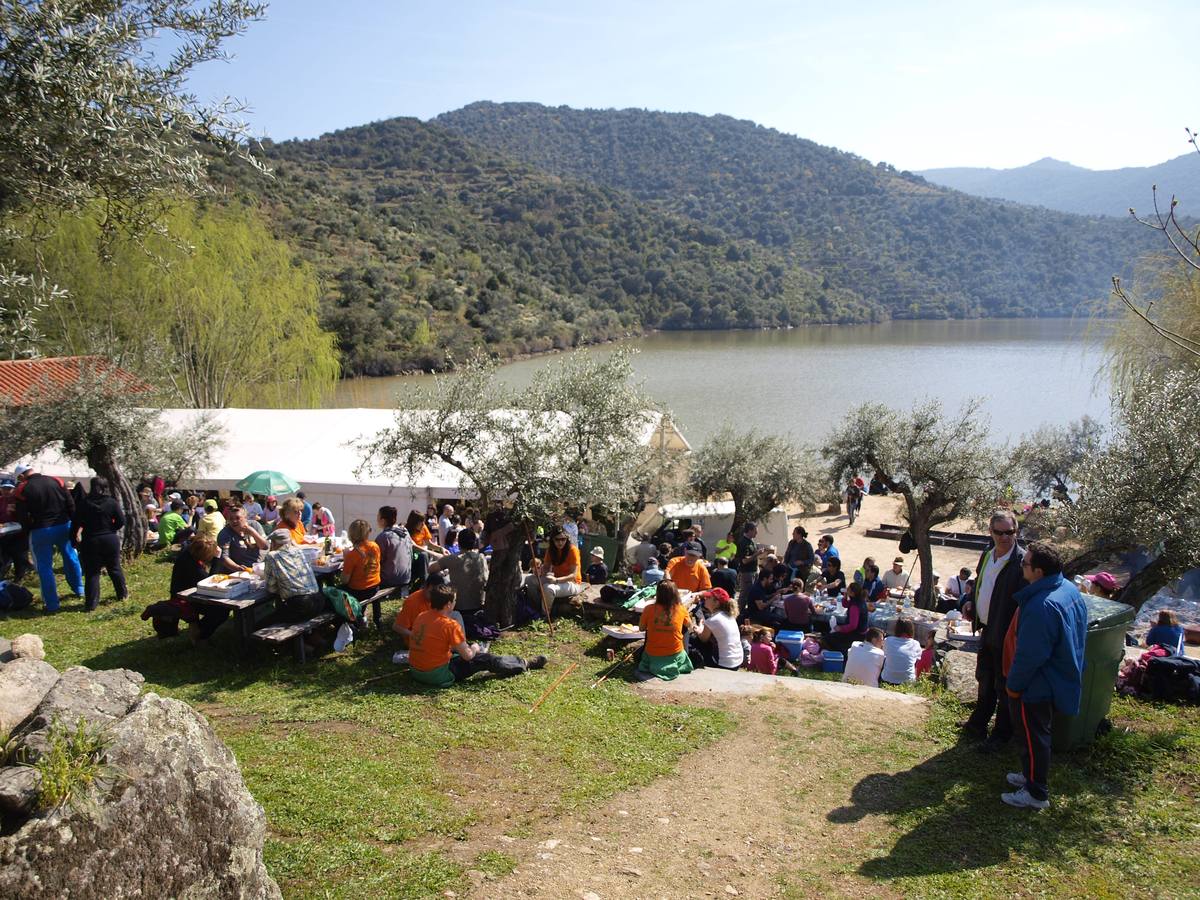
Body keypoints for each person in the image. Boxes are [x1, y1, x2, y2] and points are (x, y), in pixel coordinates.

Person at [1001, 541, 1086, 810]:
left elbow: (1030, 654)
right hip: (1059, 676)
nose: (1021, 566)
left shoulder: (1041, 606)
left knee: (1033, 737)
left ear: (1038, 571)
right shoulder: (1068, 589)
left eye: (1025, 563)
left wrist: (1014, 686)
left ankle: (1036, 793)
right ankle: (1030, 776)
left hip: (1038, 685)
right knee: (1035, 735)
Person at [963, 510, 1026, 750]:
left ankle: (1001, 734)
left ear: (1016, 532)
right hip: (987, 628)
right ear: (991, 532)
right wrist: (971, 604)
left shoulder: (1021, 562)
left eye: (1010, 532)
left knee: (1004, 684)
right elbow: (981, 585)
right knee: (985, 677)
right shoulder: (987, 555)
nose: (1005, 537)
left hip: (1007, 634)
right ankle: (978, 724)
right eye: (999, 532)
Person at [407, 584, 547, 688]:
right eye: (455, 600)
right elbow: (468, 656)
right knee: (484, 659)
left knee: (461, 653)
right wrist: (474, 648)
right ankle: (524, 663)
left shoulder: (421, 616)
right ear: (448, 605)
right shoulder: (450, 625)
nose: (455, 603)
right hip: (436, 675)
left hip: (416, 671)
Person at [13, 463, 83, 612]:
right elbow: (70, 503)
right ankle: (79, 589)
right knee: (71, 557)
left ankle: (52, 604)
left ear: (21, 476)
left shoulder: (22, 489)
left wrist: (28, 530)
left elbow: (22, 516)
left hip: (41, 529)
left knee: (45, 567)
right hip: (64, 525)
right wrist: (75, 526)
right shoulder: (56, 480)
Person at [72, 476, 128, 612]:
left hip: (91, 539)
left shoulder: (84, 503)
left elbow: (75, 523)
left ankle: (91, 603)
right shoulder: (111, 502)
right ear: (105, 487)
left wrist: (73, 540)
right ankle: (122, 594)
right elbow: (121, 521)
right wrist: (111, 529)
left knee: (92, 572)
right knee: (114, 568)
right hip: (109, 538)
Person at [166, 536, 230, 641]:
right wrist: (217, 559)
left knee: (222, 608)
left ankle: (198, 629)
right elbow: (209, 582)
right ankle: (199, 634)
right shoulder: (191, 566)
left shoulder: (189, 552)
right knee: (221, 611)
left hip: (192, 592)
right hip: (185, 598)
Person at [636, 580, 694, 681]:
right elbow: (690, 625)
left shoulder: (648, 609)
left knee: (649, 628)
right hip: (674, 653)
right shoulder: (681, 609)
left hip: (652, 653)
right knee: (684, 628)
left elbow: (642, 628)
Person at [263, 529, 326, 621]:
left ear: (273, 543)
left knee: (263, 622)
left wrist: (282, 587)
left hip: (302, 606)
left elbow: (270, 588)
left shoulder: (272, 556)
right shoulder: (299, 551)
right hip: (319, 601)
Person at [428, 527, 488, 614]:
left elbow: (430, 569)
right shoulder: (481, 558)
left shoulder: (453, 558)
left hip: (458, 606)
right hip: (478, 604)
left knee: (436, 577)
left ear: (459, 543)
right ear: (474, 542)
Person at [525, 525, 584, 604]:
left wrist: (556, 580)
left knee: (548, 588)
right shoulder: (551, 550)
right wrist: (540, 571)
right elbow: (546, 567)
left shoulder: (573, 550)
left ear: (567, 539)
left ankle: (544, 611)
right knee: (529, 579)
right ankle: (536, 605)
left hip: (573, 583)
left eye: (563, 539)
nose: (560, 542)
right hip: (555, 579)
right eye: (557, 539)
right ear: (552, 539)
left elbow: (573, 575)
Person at [689, 588, 744, 670]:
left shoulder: (713, 620)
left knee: (692, 640)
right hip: (737, 662)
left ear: (716, 603)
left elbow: (703, 639)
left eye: (709, 598)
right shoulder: (729, 615)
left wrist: (698, 629)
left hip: (725, 665)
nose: (705, 598)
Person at [341, 519, 382, 605]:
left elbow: (345, 580)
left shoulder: (352, 554)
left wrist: (345, 559)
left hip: (359, 591)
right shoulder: (375, 546)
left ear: (351, 535)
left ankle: (349, 612)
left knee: (335, 590)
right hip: (375, 586)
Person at [822, 581, 870, 654]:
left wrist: (840, 628)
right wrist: (845, 596)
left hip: (858, 634)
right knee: (831, 634)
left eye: (848, 589)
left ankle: (842, 653)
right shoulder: (858, 599)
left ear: (852, 593)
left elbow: (853, 626)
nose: (846, 589)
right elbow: (845, 605)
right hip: (858, 630)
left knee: (828, 638)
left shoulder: (855, 606)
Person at [0, 477, 33, 581]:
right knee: (3, 557)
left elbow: (25, 516)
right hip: (3, 533)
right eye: (4, 488)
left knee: (19, 556)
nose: (6, 491)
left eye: (9, 489)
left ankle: (19, 577)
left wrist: (15, 512)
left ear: (14, 489)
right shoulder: (1, 500)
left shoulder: (18, 500)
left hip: (18, 533)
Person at [216, 505, 267, 572]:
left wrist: (253, 532)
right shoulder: (225, 534)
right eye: (231, 519)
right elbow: (224, 557)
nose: (234, 521)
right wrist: (238, 568)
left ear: (245, 518)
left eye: (238, 518)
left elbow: (265, 547)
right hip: (239, 570)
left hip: (259, 566)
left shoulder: (255, 525)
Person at [375, 506, 413, 594]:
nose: (376, 519)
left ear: (383, 520)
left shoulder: (383, 537)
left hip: (390, 580)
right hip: (406, 577)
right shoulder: (405, 533)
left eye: (378, 517)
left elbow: (377, 561)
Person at [881, 618, 923, 685]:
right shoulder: (915, 644)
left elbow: (883, 654)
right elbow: (916, 663)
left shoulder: (888, 640)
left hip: (888, 678)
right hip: (908, 681)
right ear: (911, 630)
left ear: (896, 628)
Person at [734, 522, 760, 598]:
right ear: (749, 531)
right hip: (747, 573)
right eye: (755, 531)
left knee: (752, 593)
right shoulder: (743, 542)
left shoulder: (751, 541)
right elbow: (744, 561)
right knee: (745, 594)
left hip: (753, 571)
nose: (756, 534)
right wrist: (756, 554)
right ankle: (740, 606)